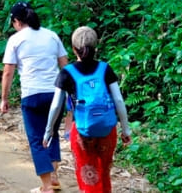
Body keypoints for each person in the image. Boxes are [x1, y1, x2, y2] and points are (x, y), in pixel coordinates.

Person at [43, 26, 132, 193]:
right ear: (96, 47)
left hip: (82, 132)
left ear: (73, 49)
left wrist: (49, 131)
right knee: (104, 172)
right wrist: (126, 130)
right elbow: (118, 100)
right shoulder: (105, 69)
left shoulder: (67, 72)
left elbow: (56, 105)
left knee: (88, 173)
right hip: (107, 129)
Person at [0, 1, 69, 193]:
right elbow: (65, 65)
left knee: (37, 140)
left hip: (32, 96)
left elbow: (8, 72)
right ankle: (53, 177)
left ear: (16, 21)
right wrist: (70, 93)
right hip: (55, 94)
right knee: (52, 134)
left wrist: (4, 99)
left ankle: (46, 187)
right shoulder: (52, 36)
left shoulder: (15, 40)